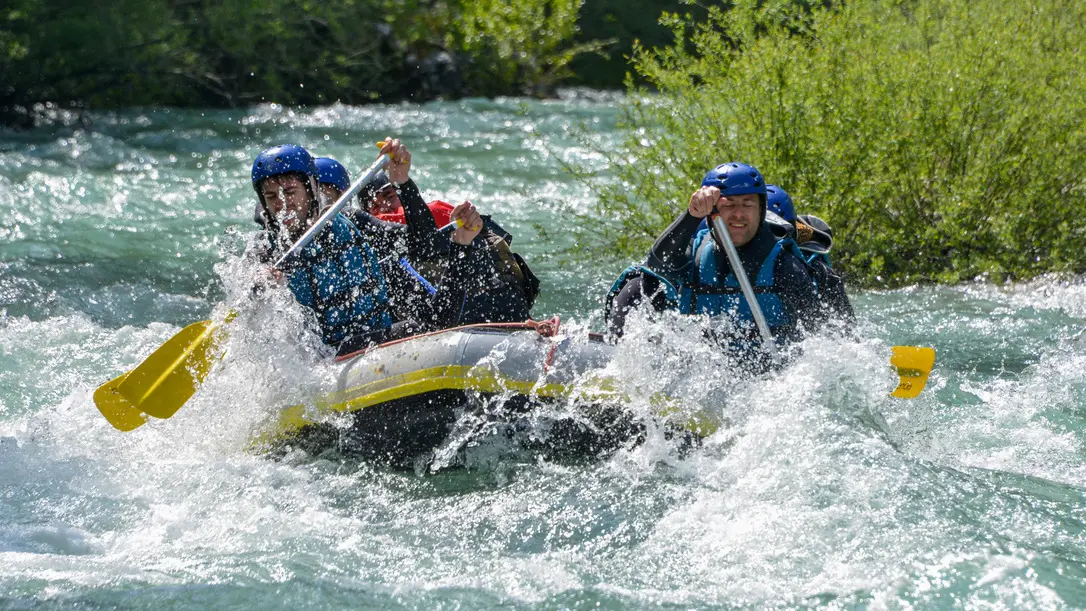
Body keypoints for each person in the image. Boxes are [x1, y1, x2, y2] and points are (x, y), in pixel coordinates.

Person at [250, 141, 492, 356]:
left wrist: (403, 183)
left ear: (312, 188)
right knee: (416, 327)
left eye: (291, 192)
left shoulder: (352, 224)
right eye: (272, 197)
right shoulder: (266, 249)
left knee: (432, 320)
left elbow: (425, 246)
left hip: (372, 343)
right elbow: (247, 304)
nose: (282, 204)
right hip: (319, 359)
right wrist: (259, 287)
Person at [605, 162, 823, 359]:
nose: (738, 214)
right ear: (712, 214)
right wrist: (692, 215)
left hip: (766, 370)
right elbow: (657, 266)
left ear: (761, 210)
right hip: (703, 368)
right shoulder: (696, 251)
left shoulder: (785, 267)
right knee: (640, 283)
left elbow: (817, 340)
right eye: (729, 205)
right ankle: (615, 353)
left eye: (747, 205)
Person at [352, 159, 540, 325]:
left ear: (403, 195)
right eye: (374, 207)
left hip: (492, 305)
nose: (385, 209)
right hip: (463, 312)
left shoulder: (435, 215)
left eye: (390, 197)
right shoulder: (382, 240)